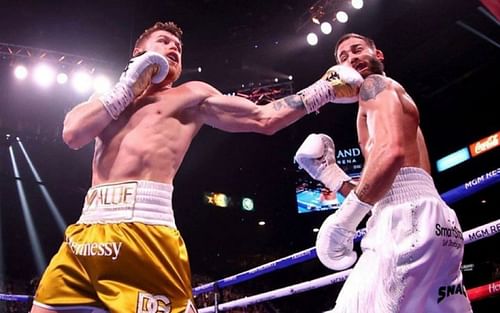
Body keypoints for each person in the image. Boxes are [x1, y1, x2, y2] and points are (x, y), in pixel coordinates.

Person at [30, 22, 363, 313]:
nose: (174, 48)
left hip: (144, 231)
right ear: (139, 51)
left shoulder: (190, 96)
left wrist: (323, 89)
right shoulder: (106, 99)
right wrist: (128, 87)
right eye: (164, 42)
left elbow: (264, 118)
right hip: (86, 232)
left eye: (178, 47)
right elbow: (73, 134)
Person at [294, 33, 472, 312]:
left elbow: (391, 154)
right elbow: (395, 182)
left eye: (357, 50)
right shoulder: (389, 98)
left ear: (378, 56)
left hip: (406, 222)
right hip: (436, 222)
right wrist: (331, 176)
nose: (351, 58)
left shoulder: (375, 86)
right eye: (343, 57)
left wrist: (343, 222)